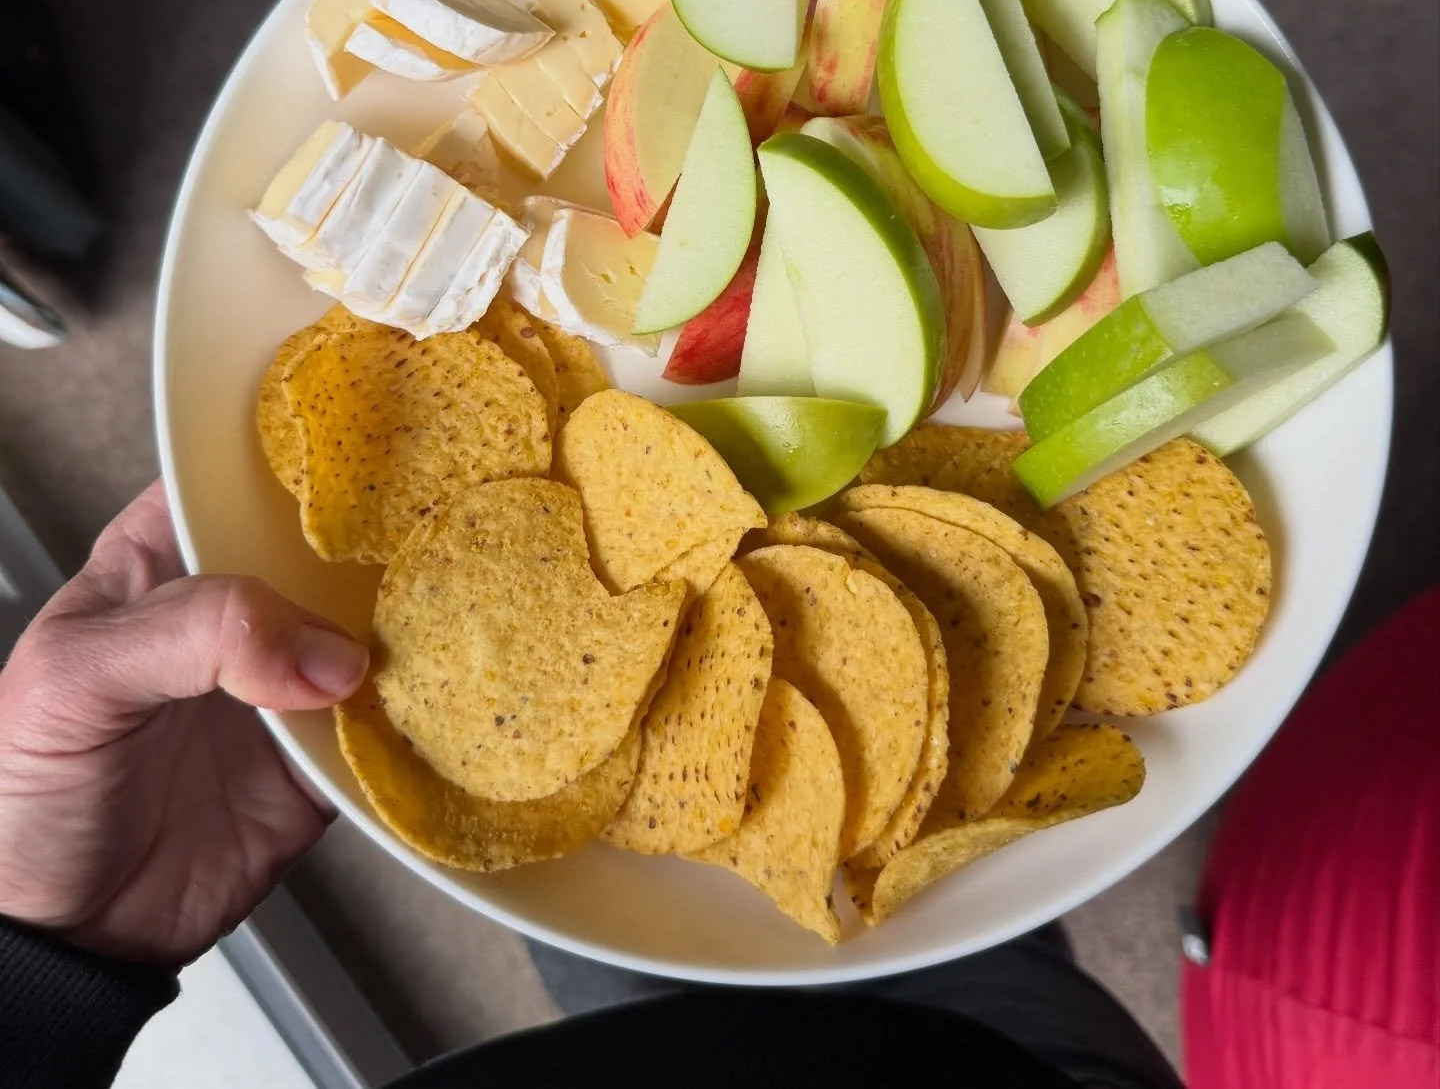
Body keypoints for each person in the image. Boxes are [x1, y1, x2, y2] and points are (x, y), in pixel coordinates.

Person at [0, 485, 1183, 1089]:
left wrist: (51, 963)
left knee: (622, 939)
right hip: (1000, 1065)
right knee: (958, 924)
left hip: (629, 1043)